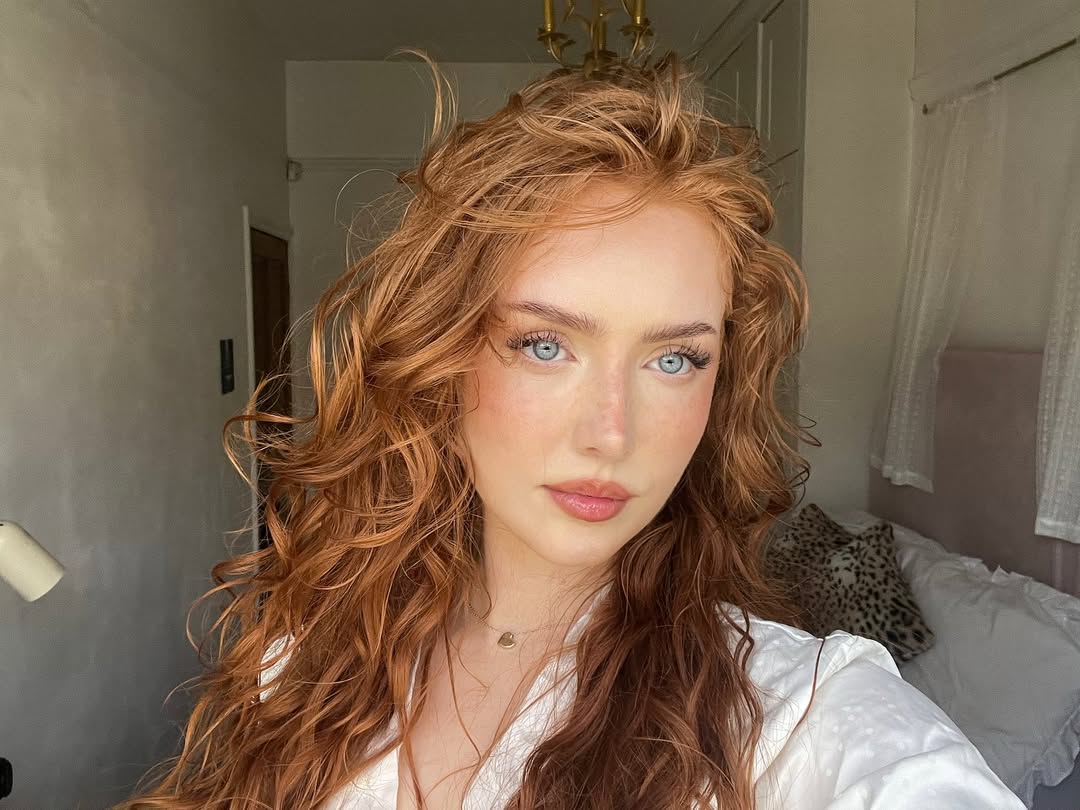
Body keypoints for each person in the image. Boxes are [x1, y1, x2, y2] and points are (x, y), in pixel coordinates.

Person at [120, 50, 1024, 810]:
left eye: (676, 359)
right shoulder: (315, 653)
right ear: (442, 357)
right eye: (545, 345)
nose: (611, 434)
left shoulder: (797, 716)